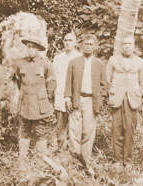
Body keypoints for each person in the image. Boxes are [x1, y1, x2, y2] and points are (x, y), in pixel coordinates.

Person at [63, 34, 106, 171]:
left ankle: (85, 161)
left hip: (91, 101)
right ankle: (75, 161)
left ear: (95, 47)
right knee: (75, 131)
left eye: (91, 44)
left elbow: (104, 85)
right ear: (81, 46)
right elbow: (68, 82)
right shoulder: (74, 62)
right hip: (77, 99)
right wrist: (68, 97)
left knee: (88, 131)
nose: (88, 46)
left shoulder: (99, 64)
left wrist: (100, 99)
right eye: (86, 44)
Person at [11, 36, 56, 161]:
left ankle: (41, 158)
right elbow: (17, 81)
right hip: (25, 103)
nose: (30, 49)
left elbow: (51, 82)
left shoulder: (45, 63)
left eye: (33, 47)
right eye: (28, 47)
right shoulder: (20, 63)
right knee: (24, 130)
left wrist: (47, 98)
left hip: (40, 104)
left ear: (38, 49)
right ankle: (23, 157)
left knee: (40, 131)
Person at [106, 36, 143, 165]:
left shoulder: (139, 61)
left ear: (134, 46)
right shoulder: (113, 60)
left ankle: (127, 161)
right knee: (116, 129)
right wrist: (112, 93)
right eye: (124, 44)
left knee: (129, 130)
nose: (127, 46)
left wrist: (138, 93)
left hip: (132, 100)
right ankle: (117, 160)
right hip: (117, 98)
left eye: (129, 44)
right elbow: (108, 79)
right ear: (121, 46)